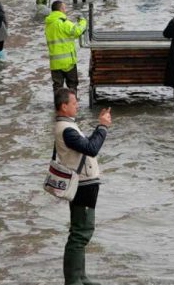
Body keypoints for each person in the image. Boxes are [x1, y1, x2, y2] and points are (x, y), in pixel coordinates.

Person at [53, 88, 112, 285]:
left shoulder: (68, 126)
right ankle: (73, 280)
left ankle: (80, 276)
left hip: (84, 184)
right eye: (74, 103)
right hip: (82, 186)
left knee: (81, 231)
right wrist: (103, 127)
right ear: (64, 106)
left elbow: (85, 145)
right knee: (81, 233)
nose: (77, 105)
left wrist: (99, 127)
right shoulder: (66, 129)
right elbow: (91, 149)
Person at [44, 1, 88, 91]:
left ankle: (59, 105)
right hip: (68, 62)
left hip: (55, 63)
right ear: (61, 9)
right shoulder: (63, 22)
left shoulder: (48, 24)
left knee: (57, 87)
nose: (65, 10)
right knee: (72, 86)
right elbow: (77, 31)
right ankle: (72, 104)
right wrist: (83, 21)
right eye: (64, 8)